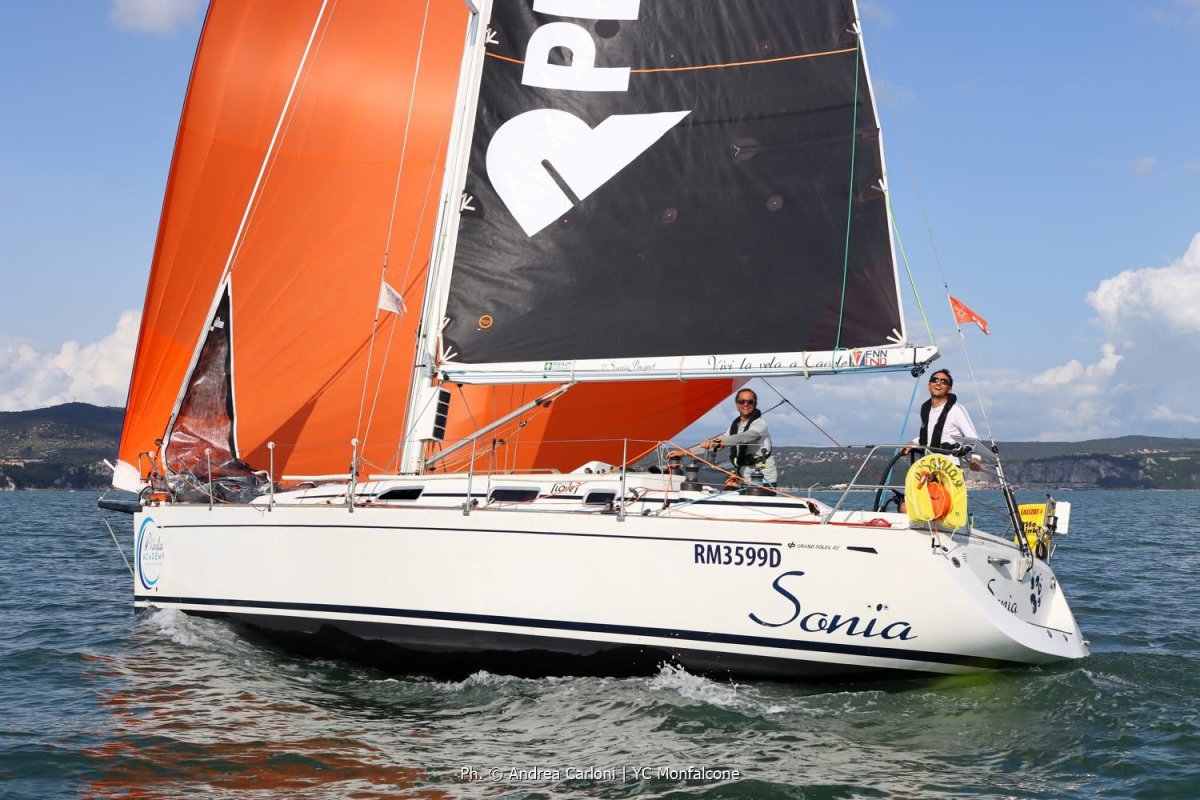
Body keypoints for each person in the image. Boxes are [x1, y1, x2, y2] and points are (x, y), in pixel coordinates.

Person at [901, 369, 983, 471]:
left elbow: (973, 438)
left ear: (949, 389)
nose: (938, 383)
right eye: (934, 380)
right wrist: (912, 443)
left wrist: (976, 459)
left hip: (949, 467)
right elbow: (928, 435)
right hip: (928, 465)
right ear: (929, 385)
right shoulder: (925, 409)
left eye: (944, 381)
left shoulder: (956, 410)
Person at [696, 388, 778, 489]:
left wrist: (720, 442)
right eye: (741, 401)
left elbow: (745, 437)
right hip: (743, 478)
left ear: (755, 404)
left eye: (750, 402)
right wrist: (686, 452)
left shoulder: (760, 424)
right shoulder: (735, 426)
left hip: (764, 479)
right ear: (736, 404)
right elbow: (719, 441)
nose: (745, 404)